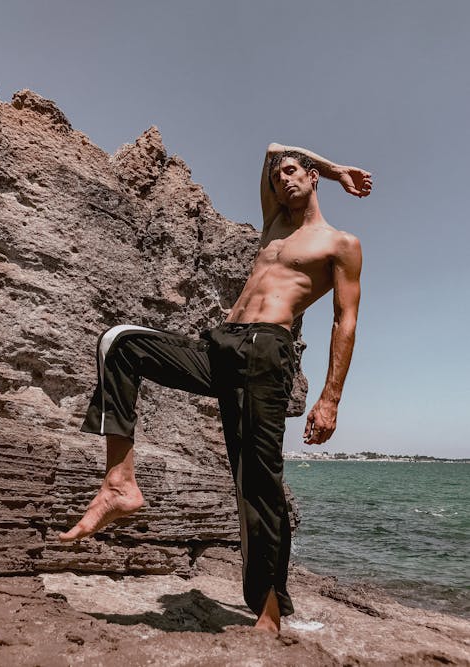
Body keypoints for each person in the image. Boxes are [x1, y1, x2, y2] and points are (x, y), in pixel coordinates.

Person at [58, 142, 372, 634]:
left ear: (310, 177)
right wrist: (332, 168)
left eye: (293, 172)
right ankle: (119, 483)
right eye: (277, 178)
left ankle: (269, 609)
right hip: (220, 346)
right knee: (119, 343)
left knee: (258, 482)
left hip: (268, 351)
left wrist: (330, 398)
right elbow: (271, 146)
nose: (283, 180)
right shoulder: (273, 228)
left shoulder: (340, 244)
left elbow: (345, 321)